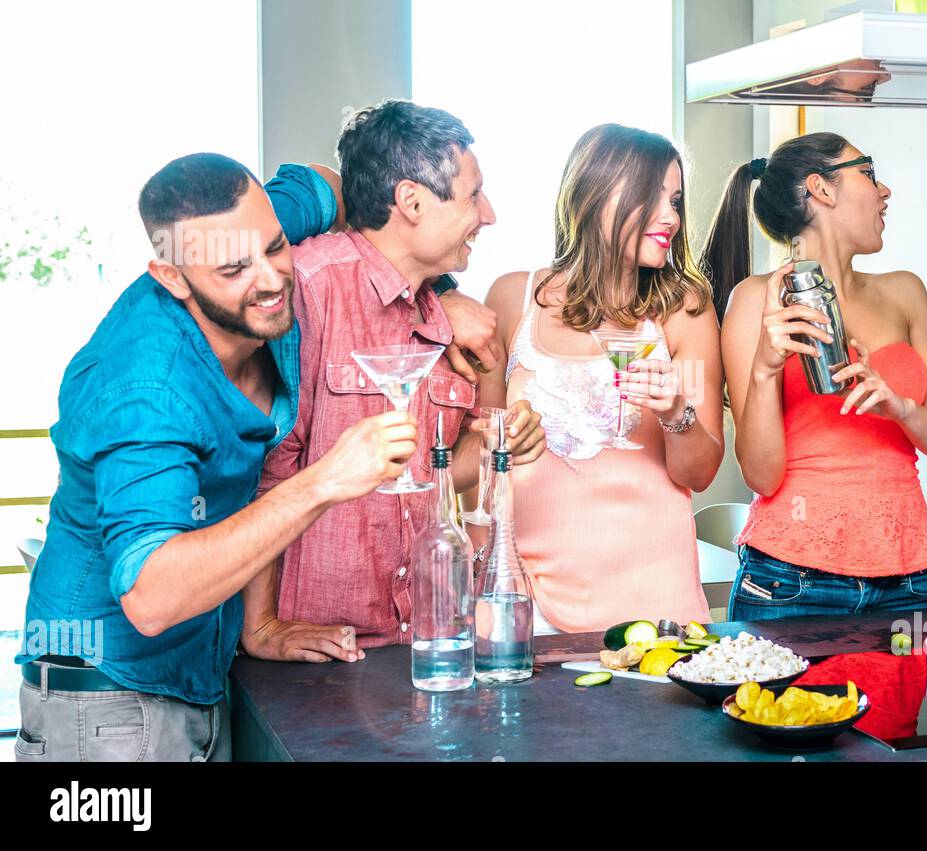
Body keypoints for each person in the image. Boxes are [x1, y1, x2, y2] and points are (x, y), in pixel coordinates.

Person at [14, 153, 417, 761]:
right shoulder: (145, 391)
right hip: (103, 708)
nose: (272, 279)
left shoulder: (244, 229)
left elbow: (324, 184)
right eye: (234, 270)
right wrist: (323, 482)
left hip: (200, 675)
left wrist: (438, 296)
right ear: (172, 277)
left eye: (276, 247)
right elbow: (151, 596)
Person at [248, 100, 547, 650]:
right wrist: (261, 627)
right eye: (473, 194)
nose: (489, 214)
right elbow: (265, 469)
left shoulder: (452, 316)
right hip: (317, 650)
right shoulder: (309, 289)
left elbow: (447, 475)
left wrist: (500, 446)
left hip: (418, 642)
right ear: (411, 201)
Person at [703, 132, 927, 622]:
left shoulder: (906, 292)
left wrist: (902, 408)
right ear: (822, 190)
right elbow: (762, 475)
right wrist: (764, 371)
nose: (884, 190)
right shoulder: (755, 301)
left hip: (910, 580)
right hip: (791, 582)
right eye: (868, 172)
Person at [478, 123, 723, 634]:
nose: (670, 217)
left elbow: (699, 474)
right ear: (597, 197)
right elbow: (483, 459)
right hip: (531, 600)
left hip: (656, 603)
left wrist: (677, 413)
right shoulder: (513, 299)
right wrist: (492, 569)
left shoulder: (683, 311)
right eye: (652, 197)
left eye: (675, 201)